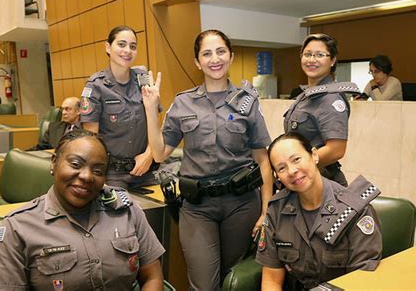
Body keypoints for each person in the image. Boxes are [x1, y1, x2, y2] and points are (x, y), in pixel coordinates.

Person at [142, 29, 273, 290]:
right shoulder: (183, 103)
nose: (215, 59)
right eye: (207, 53)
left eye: (221, 51)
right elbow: (159, 153)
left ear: (231, 56)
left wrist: (266, 213)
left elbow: (263, 160)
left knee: (233, 280)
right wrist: (150, 109)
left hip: (242, 204)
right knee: (204, 283)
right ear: (197, 62)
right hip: (197, 207)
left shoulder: (248, 103)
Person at [0, 129, 165, 290]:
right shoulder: (17, 228)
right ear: (54, 163)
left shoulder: (126, 211)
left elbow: (152, 276)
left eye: (98, 171)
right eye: (76, 164)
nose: (86, 176)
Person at [256, 132, 382, 290]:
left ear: (314, 155)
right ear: (277, 177)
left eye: (296, 159)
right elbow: (271, 280)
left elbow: (361, 280)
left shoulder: (353, 210)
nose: (292, 171)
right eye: (282, 168)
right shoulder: (276, 210)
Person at [80, 25, 158, 189]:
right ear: (108, 47)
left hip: (147, 169)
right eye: (121, 44)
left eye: (133, 46)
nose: (128, 50)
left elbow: (156, 125)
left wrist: (150, 154)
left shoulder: (143, 80)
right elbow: (90, 140)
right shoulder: (95, 87)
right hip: (112, 175)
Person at [283, 33, 360, 186]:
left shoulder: (331, 98)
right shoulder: (306, 95)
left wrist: (295, 168)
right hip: (303, 181)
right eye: (307, 54)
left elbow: (336, 150)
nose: (312, 60)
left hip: (323, 183)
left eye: (320, 55)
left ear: (332, 60)